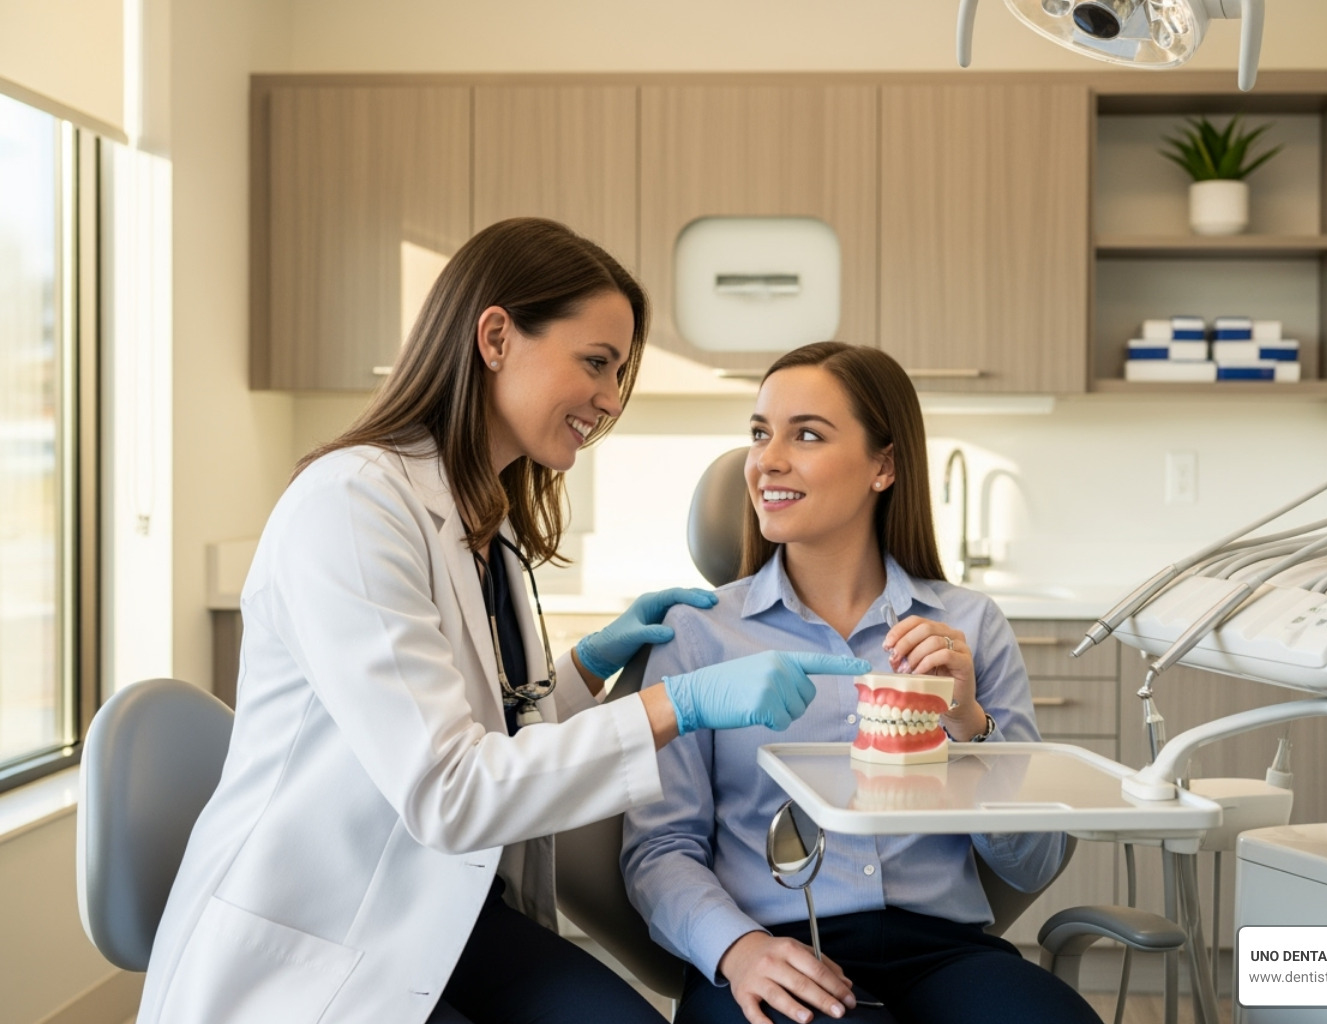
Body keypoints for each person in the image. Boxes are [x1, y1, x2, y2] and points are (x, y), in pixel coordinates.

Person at [136, 219, 868, 1024]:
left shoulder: (488, 526)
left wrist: (585, 670)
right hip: (335, 932)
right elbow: (450, 789)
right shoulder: (353, 506)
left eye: (619, 373)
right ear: (495, 337)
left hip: (459, 917)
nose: (611, 398)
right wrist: (677, 705)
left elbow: (491, 735)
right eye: (596, 363)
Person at [621, 342, 1102, 1024]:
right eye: (760, 434)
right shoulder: (699, 634)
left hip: (945, 951)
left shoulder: (969, 625)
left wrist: (969, 719)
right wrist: (739, 950)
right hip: (774, 946)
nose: (768, 461)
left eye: (807, 434)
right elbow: (661, 850)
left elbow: (1033, 861)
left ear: (885, 466)